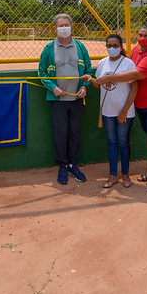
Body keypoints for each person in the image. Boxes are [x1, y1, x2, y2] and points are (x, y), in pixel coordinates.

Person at [94, 24, 147, 195]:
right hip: (144, 103)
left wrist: (109, 78)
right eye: (139, 34)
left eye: (146, 35)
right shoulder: (136, 51)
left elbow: (135, 75)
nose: (142, 37)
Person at [38, 13, 93, 185]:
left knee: (75, 133)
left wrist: (85, 87)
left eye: (66, 25)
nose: (63, 28)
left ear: (71, 26)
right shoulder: (48, 48)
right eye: (60, 25)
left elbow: (89, 71)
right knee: (60, 133)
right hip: (58, 100)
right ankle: (62, 165)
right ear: (55, 28)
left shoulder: (80, 47)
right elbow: (42, 73)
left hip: (76, 99)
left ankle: (73, 164)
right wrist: (53, 88)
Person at [83, 34, 138, 188]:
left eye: (115, 45)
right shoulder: (102, 63)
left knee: (123, 142)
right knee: (112, 142)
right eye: (109, 45)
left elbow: (134, 88)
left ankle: (126, 175)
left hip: (124, 111)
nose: (112, 48)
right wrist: (91, 79)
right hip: (108, 111)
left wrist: (124, 111)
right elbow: (99, 85)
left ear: (121, 47)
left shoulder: (128, 63)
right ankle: (113, 175)